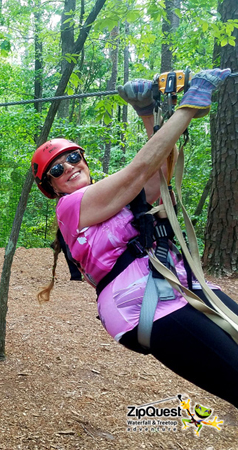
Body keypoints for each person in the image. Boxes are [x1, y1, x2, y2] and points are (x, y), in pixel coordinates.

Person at [31, 69, 238, 407]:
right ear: (51, 188)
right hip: (143, 306)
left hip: (181, 284)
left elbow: (156, 178)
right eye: (56, 170)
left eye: (72, 157)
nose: (68, 167)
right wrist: (190, 104)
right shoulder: (70, 208)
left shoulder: (116, 202)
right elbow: (136, 173)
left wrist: (147, 115)